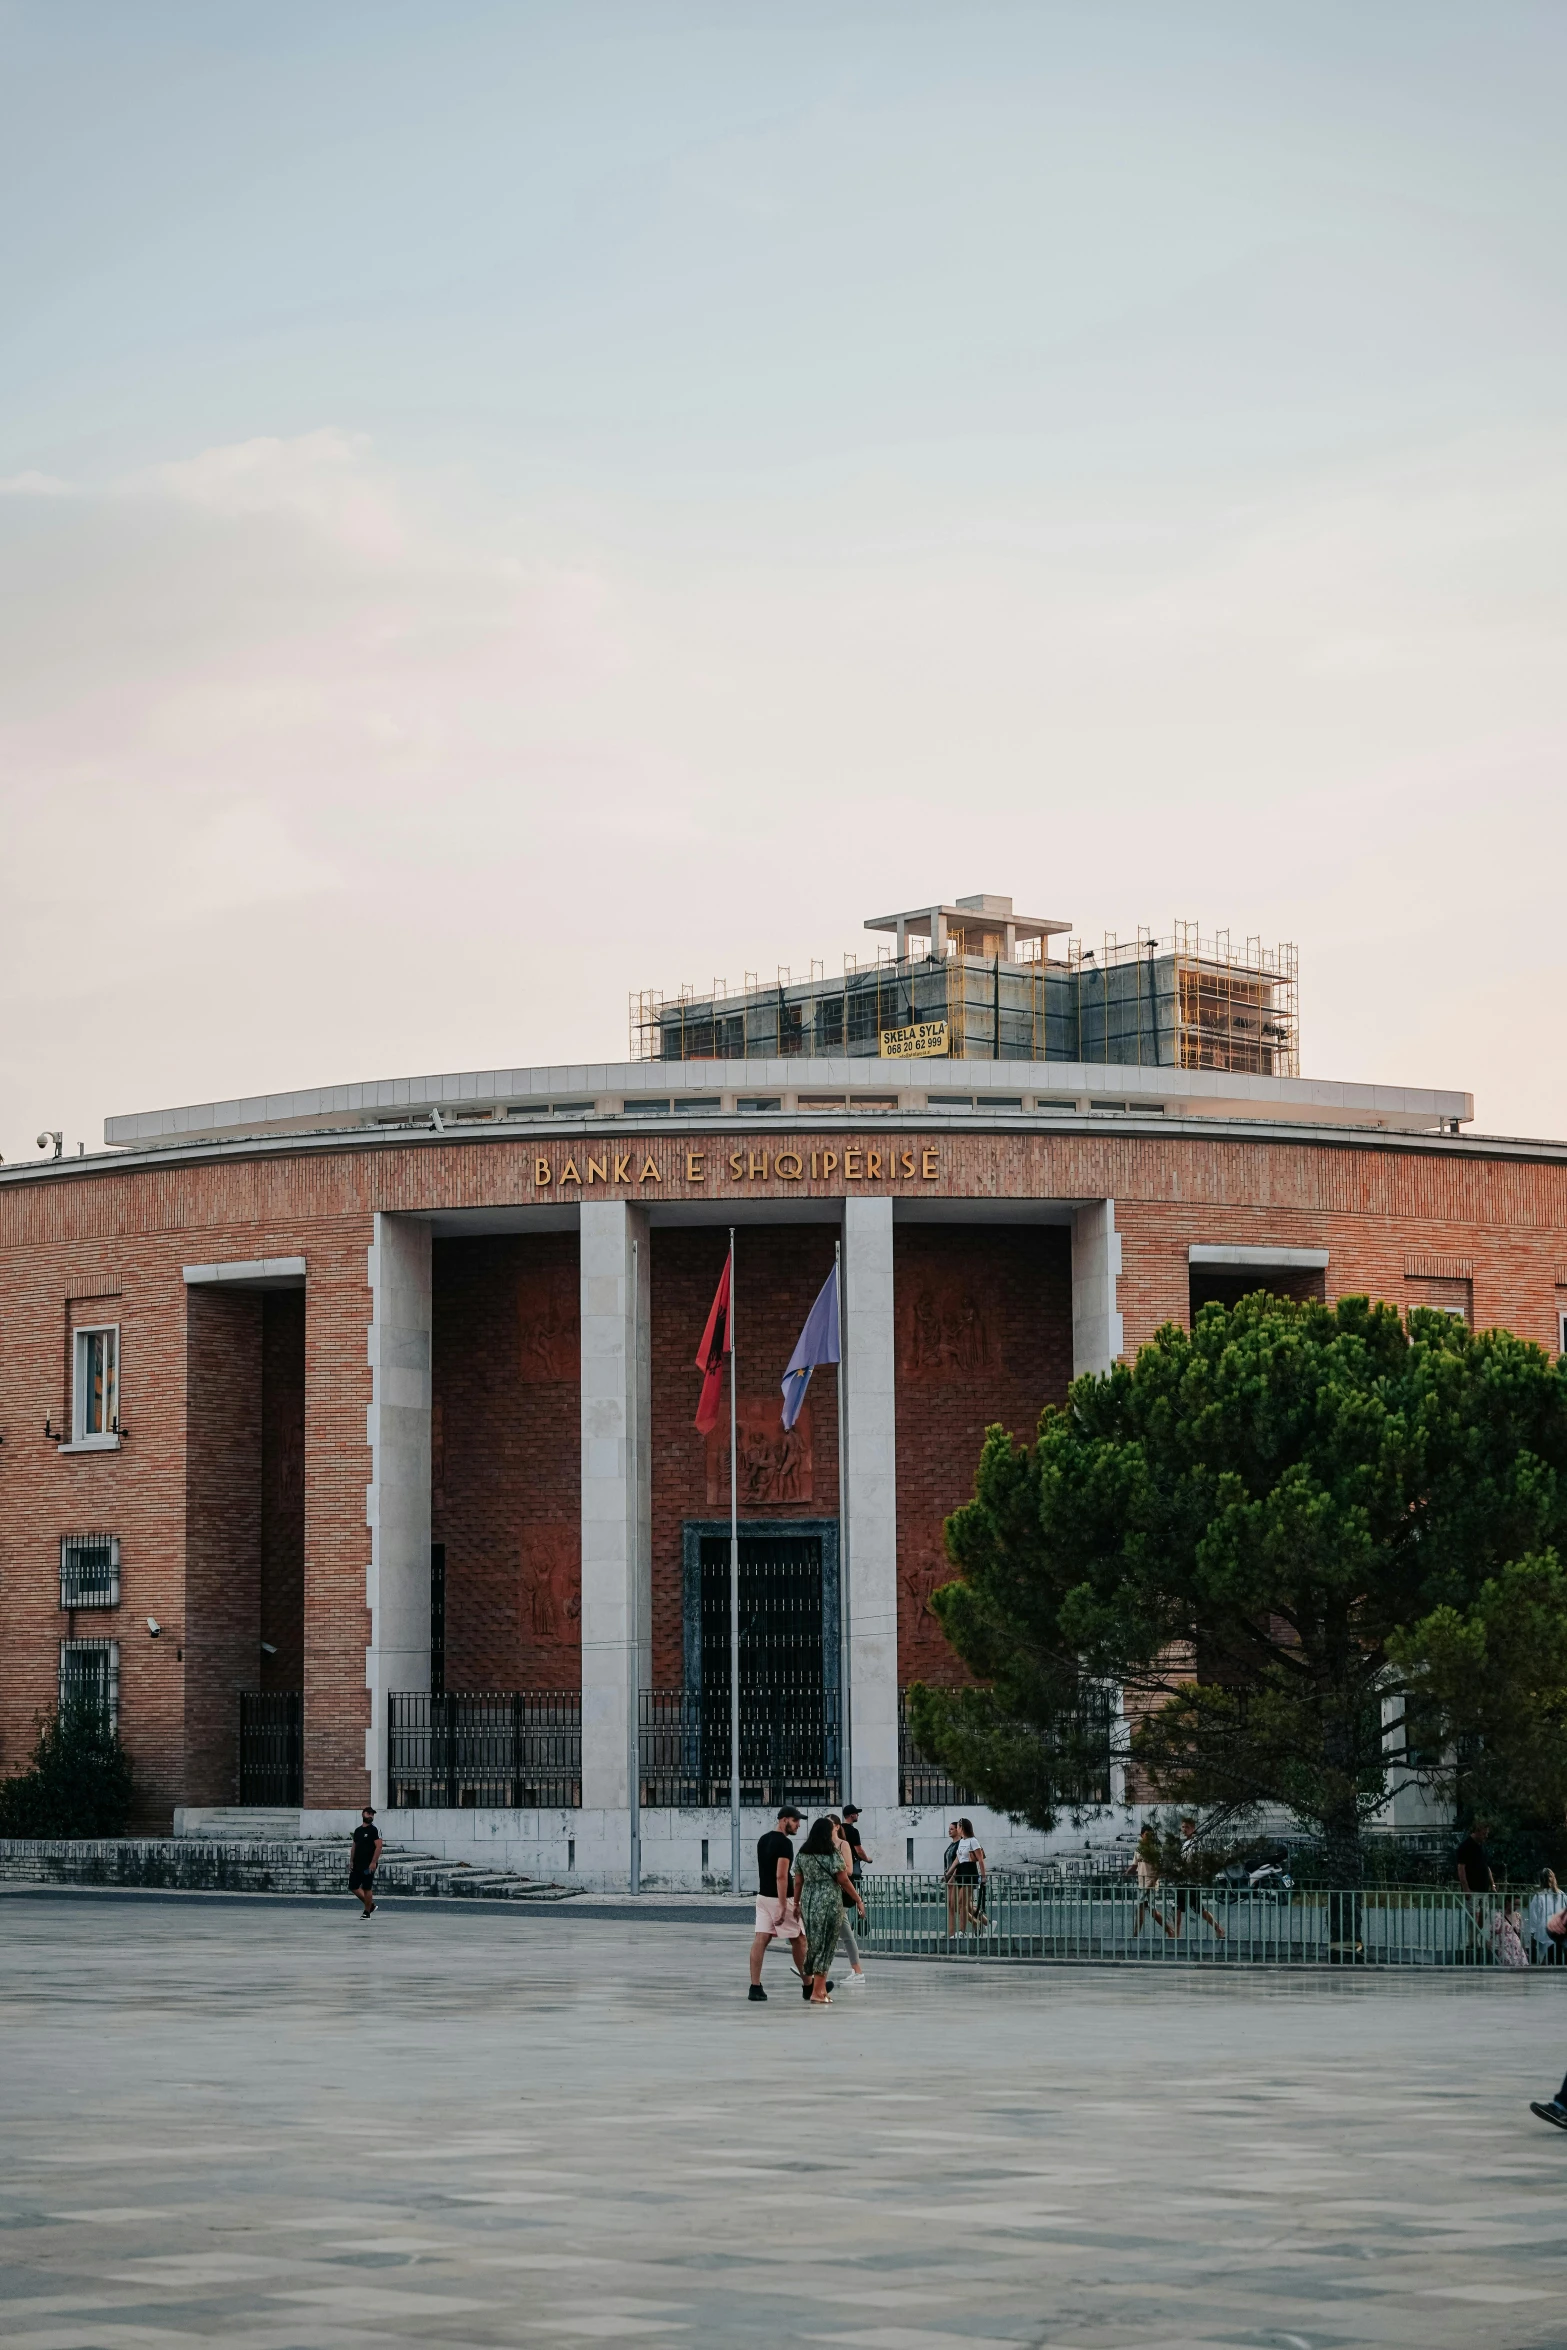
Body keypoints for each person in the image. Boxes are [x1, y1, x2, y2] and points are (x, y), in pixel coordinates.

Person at [793, 1815, 863, 2004]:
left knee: (814, 1944)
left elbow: (798, 1881)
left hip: (809, 1903)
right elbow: (844, 1879)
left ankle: (821, 1989)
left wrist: (796, 1904)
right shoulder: (832, 1854)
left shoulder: (802, 1854)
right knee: (826, 1946)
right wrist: (858, 1900)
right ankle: (817, 1992)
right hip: (830, 1903)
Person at [748, 1805, 808, 2001]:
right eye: (795, 1820)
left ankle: (755, 1987)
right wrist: (784, 1905)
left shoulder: (763, 1839)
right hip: (780, 1898)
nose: (798, 1825)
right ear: (784, 1820)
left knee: (761, 1939)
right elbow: (781, 1876)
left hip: (763, 1897)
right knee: (799, 1939)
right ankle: (809, 1986)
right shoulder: (784, 1843)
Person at [1173, 1816, 1226, 1944]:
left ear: (1193, 1828)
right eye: (1183, 1826)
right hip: (1182, 1881)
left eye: (1187, 1827)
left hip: (1191, 1881)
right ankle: (1176, 1935)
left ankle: (1218, 1929)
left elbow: (1195, 1861)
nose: (1184, 1829)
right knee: (1177, 1908)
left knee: (1199, 1909)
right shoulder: (1184, 1843)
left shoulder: (1196, 1842)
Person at [829, 1815, 867, 1988]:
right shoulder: (822, 1845)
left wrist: (835, 1871)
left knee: (837, 1932)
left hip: (840, 1893)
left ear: (837, 1826)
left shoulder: (843, 1844)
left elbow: (850, 1870)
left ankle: (857, 1971)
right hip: (830, 1893)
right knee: (844, 1933)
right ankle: (857, 1971)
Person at [1131, 1822, 1175, 1941]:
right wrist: (1125, 1873)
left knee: (1151, 1911)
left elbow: (1158, 1869)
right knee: (1142, 1910)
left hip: (1150, 1884)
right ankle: (1135, 1935)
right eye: (1147, 1834)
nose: (1149, 1837)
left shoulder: (1154, 1850)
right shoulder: (1138, 1850)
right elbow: (1134, 1865)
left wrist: (1152, 1883)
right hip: (1141, 1884)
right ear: (1142, 1835)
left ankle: (1170, 1931)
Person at [946, 1817, 987, 1934]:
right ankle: (981, 1923)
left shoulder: (973, 1841)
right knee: (960, 1904)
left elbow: (980, 1859)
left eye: (958, 1826)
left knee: (962, 1903)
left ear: (962, 1828)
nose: (957, 1829)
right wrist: (949, 1873)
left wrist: (983, 1877)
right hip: (961, 1872)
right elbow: (958, 1859)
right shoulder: (962, 1841)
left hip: (969, 1872)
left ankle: (962, 1931)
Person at [1526, 1870, 1567, 1965]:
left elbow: (1533, 1916)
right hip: (1559, 1931)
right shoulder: (1562, 1895)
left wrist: (1532, 1933)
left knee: (1544, 1960)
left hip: (1544, 1932)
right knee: (1559, 1958)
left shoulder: (1538, 1896)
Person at [349, 1806, 382, 1919]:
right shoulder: (358, 1831)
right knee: (353, 1886)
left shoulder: (374, 1830)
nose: (371, 1816)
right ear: (363, 1814)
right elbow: (354, 1847)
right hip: (357, 1863)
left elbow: (378, 1847)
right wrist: (351, 1861)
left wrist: (373, 1862)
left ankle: (366, 1912)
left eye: (372, 1814)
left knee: (367, 1887)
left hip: (369, 1864)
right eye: (369, 1813)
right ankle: (370, 1905)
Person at [1455, 1822, 1495, 1894]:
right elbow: (1461, 1869)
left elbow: (1486, 1866)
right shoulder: (1465, 1846)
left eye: (1487, 1833)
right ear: (1477, 1831)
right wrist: (1466, 1888)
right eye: (1484, 1833)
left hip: (1484, 1890)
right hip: (1472, 1890)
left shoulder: (1482, 1846)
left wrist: (1492, 1884)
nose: (1486, 1836)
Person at [943, 1820, 961, 1936]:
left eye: (952, 1829)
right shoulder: (952, 1844)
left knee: (957, 1906)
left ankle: (982, 1921)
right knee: (952, 1906)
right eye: (949, 1828)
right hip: (949, 1877)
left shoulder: (960, 1844)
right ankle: (950, 1932)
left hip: (956, 1878)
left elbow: (958, 1862)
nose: (949, 1830)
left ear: (957, 1830)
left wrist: (952, 1876)